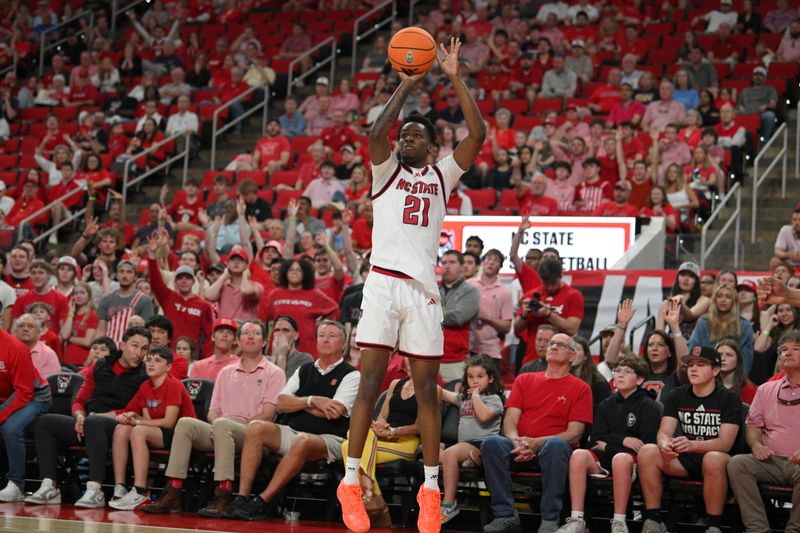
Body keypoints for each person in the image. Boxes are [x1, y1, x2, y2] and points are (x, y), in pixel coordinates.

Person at [338, 37, 486, 533]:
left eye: (417, 135)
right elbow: (378, 129)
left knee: (426, 389)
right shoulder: (384, 171)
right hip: (381, 284)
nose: (407, 138)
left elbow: (478, 132)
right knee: (371, 384)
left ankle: (429, 488)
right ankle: (351, 481)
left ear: (431, 146)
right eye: (404, 135)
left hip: (422, 291)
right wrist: (405, 85)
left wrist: (455, 77)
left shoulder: (443, 176)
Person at [140, 320, 285, 517]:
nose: (250, 336)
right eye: (246, 333)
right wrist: (218, 424)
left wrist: (224, 424)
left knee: (223, 424)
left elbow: (268, 415)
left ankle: (223, 493)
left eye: (256, 333)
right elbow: (213, 410)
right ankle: (173, 491)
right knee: (185, 423)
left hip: (253, 432)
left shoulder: (274, 372)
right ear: (238, 341)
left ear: (264, 342)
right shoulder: (225, 372)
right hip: (220, 427)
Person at [219, 321, 359, 521]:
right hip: (292, 430)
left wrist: (299, 404)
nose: (326, 339)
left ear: (343, 344)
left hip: (330, 438)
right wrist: (313, 400)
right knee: (256, 427)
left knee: (303, 440)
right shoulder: (304, 369)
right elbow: (281, 402)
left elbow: (334, 412)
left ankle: (263, 501)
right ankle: (242, 498)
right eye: (322, 335)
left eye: (332, 335)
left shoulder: (352, 374)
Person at [26, 327, 151, 507]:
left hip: (117, 425)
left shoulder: (144, 375)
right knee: (46, 423)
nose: (139, 353)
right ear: (122, 345)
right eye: (135, 346)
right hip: (87, 421)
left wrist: (92, 417)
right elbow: (80, 399)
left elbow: (132, 409)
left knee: (94, 422)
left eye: (144, 348)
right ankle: (50, 486)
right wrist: (79, 417)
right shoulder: (100, 365)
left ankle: (95, 489)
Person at [481, 333, 593, 533]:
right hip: (520, 446)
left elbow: (574, 433)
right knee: (491, 443)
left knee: (556, 445)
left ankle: (550, 519)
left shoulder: (581, 388)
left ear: (573, 357)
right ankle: (505, 515)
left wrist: (537, 443)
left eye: (561, 344)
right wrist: (518, 442)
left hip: (553, 450)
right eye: (551, 343)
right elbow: (510, 421)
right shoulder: (524, 379)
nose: (553, 346)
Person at [637, 345, 742, 533]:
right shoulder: (677, 394)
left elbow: (725, 443)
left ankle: (714, 526)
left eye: (701, 365)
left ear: (716, 370)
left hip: (718, 458)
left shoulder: (729, 398)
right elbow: (663, 432)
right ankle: (653, 520)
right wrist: (665, 444)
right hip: (685, 457)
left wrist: (693, 444)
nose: (693, 369)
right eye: (690, 364)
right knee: (648, 451)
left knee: (713, 458)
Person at [557, 355, 659, 533]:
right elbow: (595, 439)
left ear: (640, 379)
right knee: (579, 455)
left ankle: (619, 522)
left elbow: (647, 446)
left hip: (631, 462)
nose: (620, 375)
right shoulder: (606, 404)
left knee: (620, 458)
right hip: (608, 456)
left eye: (627, 372)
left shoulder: (648, 405)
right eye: (617, 371)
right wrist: (622, 440)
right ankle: (577, 519)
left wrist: (608, 444)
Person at [727, 330, 800, 532]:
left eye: (796, 349)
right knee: (737, 464)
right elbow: (753, 426)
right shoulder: (766, 389)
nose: (788, 353)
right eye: (784, 349)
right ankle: (758, 529)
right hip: (771, 462)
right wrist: (757, 445)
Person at [109, 344, 196, 510]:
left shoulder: (174, 385)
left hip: (182, 435)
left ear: (168, 367)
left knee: (138, 430)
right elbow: (138, 413)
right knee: (122, 428)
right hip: (160, 432)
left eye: (157, 360)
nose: (151, 364)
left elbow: (169, 422)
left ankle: (141, 491)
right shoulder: (145, 386)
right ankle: (119, 487)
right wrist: (128, 416)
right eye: (148, 360)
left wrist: (138, 422)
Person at [439, 356, 505, 524]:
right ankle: (468, 461)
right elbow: (441, 392)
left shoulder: (494, 399)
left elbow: (484, 417)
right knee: (432, 450)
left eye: (480, 376)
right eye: (470, 377)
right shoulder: (463, 399)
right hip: (465, 446)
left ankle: (449, 504)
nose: (474, 381)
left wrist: (475, 396)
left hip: (486, 447)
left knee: (450, 454)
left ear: (490, 378)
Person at [0, 324, 52, 502]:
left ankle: (16, 485)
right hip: (8, 395)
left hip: (36, 397)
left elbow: (24, 391)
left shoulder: (15, 347)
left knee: (10, 429)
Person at [516, 257, 584, 367]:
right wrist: (524, 314)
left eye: (553, 283)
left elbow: (572, 328)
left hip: (560, 361)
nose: (550, 287)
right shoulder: (531, 295)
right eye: (546, 283)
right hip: (532, 360)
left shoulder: (573, 295)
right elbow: (517, 329)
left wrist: (548, 314)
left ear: (561, 276)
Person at [689, 284, 755, 376]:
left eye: (728, 297)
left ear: (734, 301)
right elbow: (693, 350)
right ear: (715, 300)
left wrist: (740, 380)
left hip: (734, 378)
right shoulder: (703, 322)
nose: (723, 300)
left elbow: (746, 359)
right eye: (719, 296)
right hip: (706, 374)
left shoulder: (744, 325)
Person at [439, 250, 481, 383]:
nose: (447, 266)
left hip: (455, 360)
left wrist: (430, 314)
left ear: (462, 266)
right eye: (444, 262)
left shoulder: (470, 291)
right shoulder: (433, 290)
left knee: (454, 401)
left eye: (452, 262)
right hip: (429, 355)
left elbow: (457, 318)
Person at [469, 249, 513, 368]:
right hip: (467, 347)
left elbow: (507, 327)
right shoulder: (468, 285)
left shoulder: (504, 292)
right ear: (482, 262)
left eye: (496, 260)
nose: (491, 262)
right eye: (488, 259)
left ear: (500, 267)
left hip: (491, 351)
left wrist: (487, 317)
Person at [96, 261, 156, 345]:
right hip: (109, 349)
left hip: (131, 349)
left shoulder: (143, 300)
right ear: (117, 275)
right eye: (121, 271)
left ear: (135, 276)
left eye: (129, 272)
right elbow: (101, 329)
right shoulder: (106, 299)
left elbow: (147, 331)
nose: (125, 275)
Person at [13, 314, 61, 379]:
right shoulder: (5, 350)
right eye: (21, 326)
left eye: (30, 326)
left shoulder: (49, 355)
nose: (25, 329)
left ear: (38, 333)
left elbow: (47, 385)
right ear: (15, 332)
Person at [717, 338, 757, 405]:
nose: (723, 358)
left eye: (729, 355)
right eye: (719, 354)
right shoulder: (707, 387)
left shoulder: (749, 390)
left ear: (738, 360)